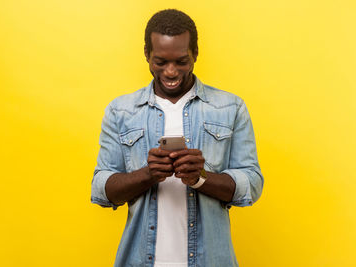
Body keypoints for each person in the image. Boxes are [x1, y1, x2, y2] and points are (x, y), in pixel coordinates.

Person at [91, 9, 263, 267]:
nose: (171, 72)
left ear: (195, 53)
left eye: (181, 61)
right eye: (160, 62)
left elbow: (252, 183)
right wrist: (148, 174)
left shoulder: (230, 107)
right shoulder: (121, 111)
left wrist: (199, 178)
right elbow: (101, 189)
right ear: (147, 54)